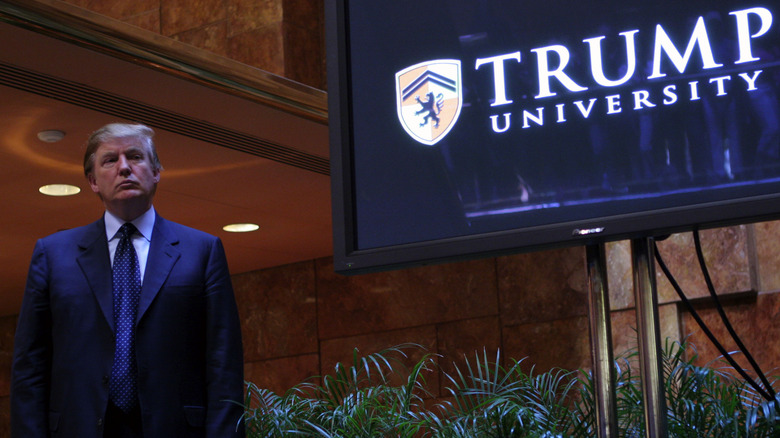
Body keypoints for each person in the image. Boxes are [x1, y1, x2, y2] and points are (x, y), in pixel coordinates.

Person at [11, 123, 246, 437]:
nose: (124, 168)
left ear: (156, 171)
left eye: (135, 157)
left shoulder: (202, 251)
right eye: (110, 160)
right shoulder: (53, 255)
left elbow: (223, 364)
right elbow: (30, 366)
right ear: (93, 181)